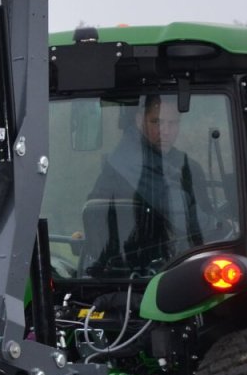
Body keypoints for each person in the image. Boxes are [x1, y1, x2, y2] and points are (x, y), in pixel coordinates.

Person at [86, 94, 220, 274]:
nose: (165, 130)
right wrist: (223, 227)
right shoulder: (124, 164)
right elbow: (185, 217)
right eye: (156, 122)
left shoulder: (189, 167)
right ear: (140, 120)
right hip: (148, 271)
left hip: (161, 267)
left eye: (172, 123)